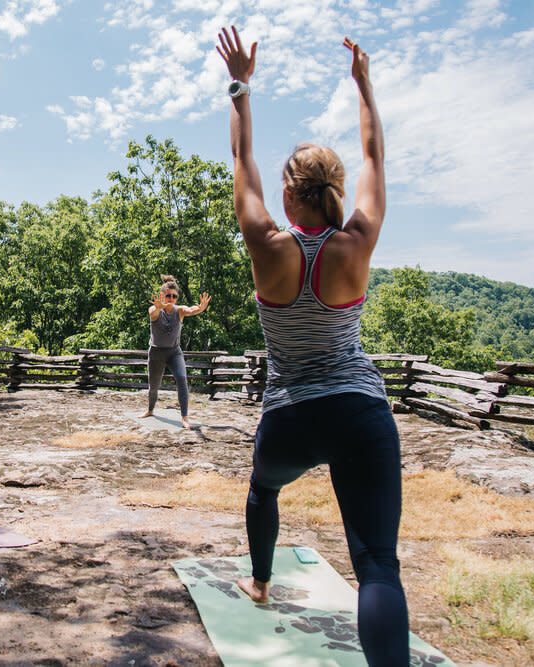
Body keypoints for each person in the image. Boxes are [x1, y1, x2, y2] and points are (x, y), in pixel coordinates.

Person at [218, 28, 408, 665]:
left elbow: (241, 163)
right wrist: (364, 86)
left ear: (289, 194)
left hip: (292, 415)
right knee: (377, 565)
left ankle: (262, 581)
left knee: (263, 490)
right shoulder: (357, 242)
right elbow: (376, 160)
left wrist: (242, 87)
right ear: (334, 189)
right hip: (360, 411)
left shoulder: (266, 244)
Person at [139, 275, 210, 429]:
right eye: (168, 295)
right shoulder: (154, 309)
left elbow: (190, 309)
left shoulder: (179, 311)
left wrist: (200, 309)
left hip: (174, 352)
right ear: (162, 295)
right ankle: (150, 410)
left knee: (182, 379)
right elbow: (153, 314)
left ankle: (184, 418)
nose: (171, 298)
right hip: (156, 353)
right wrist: (159, 307)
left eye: (174, 296)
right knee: (154, 386)